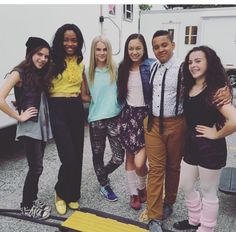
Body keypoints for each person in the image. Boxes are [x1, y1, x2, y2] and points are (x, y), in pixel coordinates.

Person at [144, 30, 232, 232]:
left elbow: (211, 81)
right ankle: (154, 217)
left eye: (164, 45)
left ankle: (169, 203)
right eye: (156, 46)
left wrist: (228, 88)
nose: (160, 49)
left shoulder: (184, 69)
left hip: (177, 123)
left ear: (173, 45)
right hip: (154, 123)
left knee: (174, 167)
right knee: (156, 169)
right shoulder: (151, 67)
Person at [173, 46, 236, 232]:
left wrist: (216, 134)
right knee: (186, 185)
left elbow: (234, 120)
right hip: (191, 145)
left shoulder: (215, 90)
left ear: (209, 62)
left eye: (198, 60)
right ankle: (194, 220)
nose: (193, 65)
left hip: (210, 148)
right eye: (190, 62)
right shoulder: (190, 87)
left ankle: (207, 228)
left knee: (209, 191)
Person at [0, 37, 52, 219]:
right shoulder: (19, 72)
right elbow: (0, 98)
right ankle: (26, 206)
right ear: (30, 54)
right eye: (39, 54)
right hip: (30, 129)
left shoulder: (39, 73)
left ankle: (32, 199)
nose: (43, 59)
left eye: (46, 56)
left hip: (41, 128)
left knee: (38, 167)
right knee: (35, 168)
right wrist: (17, 116)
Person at [48, 24, 87, 215]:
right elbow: (37, 78)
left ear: (78, 42)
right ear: (60, 41)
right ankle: (60, 192)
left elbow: (84, 90)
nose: (70, 43)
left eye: (73, 40)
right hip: (57, 108)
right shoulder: (52, 60)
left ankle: (72, 195)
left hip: (76, 108)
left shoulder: (80, 61)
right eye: (66, 39)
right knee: (68, 156)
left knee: (78, 154)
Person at [83, 36, 124, 202]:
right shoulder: (87, 71)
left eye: (105, 49)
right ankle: (104, 184)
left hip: (115, 117)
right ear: (94, 51)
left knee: (119, 157)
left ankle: (102, 173)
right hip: (97, 120)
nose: (101, 53)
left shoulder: (116, 68)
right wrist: (96, 100)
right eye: (98, 49)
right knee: (97, 154)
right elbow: (84, 95)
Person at [117, 33, 154, 210]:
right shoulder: (122, 67)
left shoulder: (151, 66)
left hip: (146, 117)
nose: (134, 52)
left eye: (138, 48)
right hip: (128, 116)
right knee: (130, 157)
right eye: (131, 48)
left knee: (141, 163)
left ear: (144, 49)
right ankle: (134, 194)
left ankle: (142, 186)